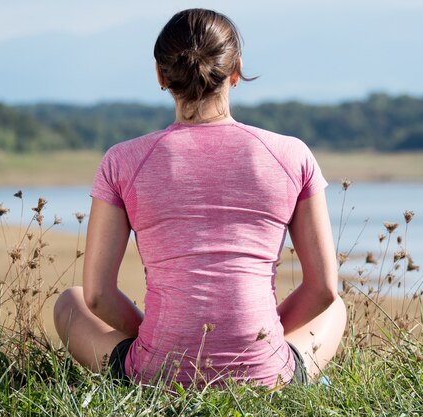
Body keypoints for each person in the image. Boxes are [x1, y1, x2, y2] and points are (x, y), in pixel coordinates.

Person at [53, 8, 346, 388]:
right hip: (266, 374)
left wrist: (158, 338)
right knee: (336, 307)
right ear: (236, 70)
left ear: (160, 75)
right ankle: (273, 370)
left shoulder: (122, 161)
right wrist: (257, 339)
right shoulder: (291, 154)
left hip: (156, 373)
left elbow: (96, 297)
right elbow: (323, 290)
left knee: (69, 303)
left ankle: (149, 360)